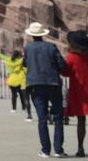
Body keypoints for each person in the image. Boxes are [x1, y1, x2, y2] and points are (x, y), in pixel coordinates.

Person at [23, 21, 67, 158]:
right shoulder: (51, 47)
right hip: (53, 83)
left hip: (35, 85)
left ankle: (45, 150)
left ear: (31, 35)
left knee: (42, 119)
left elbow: (25, 63)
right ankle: (58, 149)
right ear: (43, 35)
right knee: (58, 117)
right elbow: (61, 64)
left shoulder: (28, 48)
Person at [61, 31, 88, 158]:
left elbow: (66, 73)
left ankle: (80, 148)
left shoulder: (71, 57)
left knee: (81, 121)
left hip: (79, 92)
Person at [0, 49, 31, 120]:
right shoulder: (21, 61)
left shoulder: (9, 60)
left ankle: (14, 108)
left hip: (12, 80)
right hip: (21, 80)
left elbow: (2, 57)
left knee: (14, 95)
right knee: (22, 95)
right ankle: (24, 107)